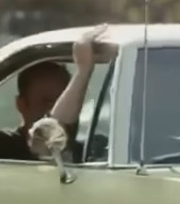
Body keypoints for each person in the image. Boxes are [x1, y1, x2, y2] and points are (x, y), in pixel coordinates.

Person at [0, 24, 108, 162]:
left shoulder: (92, 151)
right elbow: (49, 134)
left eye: (65, 98)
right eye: (48, 102)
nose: (60, 108)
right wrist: (83, 71)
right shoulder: (6, 148)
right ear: (22, 105)